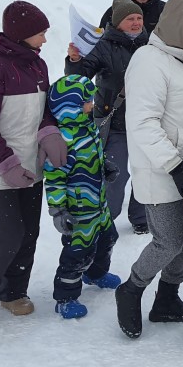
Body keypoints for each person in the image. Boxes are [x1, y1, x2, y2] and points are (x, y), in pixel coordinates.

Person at [115, 0, 183, 339]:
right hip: (163, 173)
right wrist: (176, 167)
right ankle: (131, 289)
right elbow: (143, 123)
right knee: (169, 241)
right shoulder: (149, 61)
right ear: (182, 26)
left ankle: (167, 299)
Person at [0, 0, 67, 325]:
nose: (45, 39)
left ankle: (13, 293)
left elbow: (43, 110)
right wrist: (6, 164)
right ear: (21, 34)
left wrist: (49, 133)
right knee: (7, 234)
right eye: (41, 33)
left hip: (30, 166)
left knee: (29, 233)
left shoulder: (37, 66)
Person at [66, 0, 150, 235]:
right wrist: (74, 61)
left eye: (139, 18)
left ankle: (140, 218)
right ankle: (106, 217)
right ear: (117, 22)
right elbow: (79, 78)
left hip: (145, 121)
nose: (136, 22)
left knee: (145, 172)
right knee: (115, 174)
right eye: (130, 19)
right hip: (115, 123)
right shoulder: (102, 45)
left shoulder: (151, 45)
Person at [44, 75, 121, 319]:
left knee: (109, 237)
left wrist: (105, 166)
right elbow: (54, 179)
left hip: (99, 204)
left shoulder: (88, 127)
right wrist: (58, 210)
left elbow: (94, 154)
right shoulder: (63, 141)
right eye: (86, 101)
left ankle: (95, 274)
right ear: (70, 107)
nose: (92, 104)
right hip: (79, 211)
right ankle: (65, 297)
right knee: (78, 252)